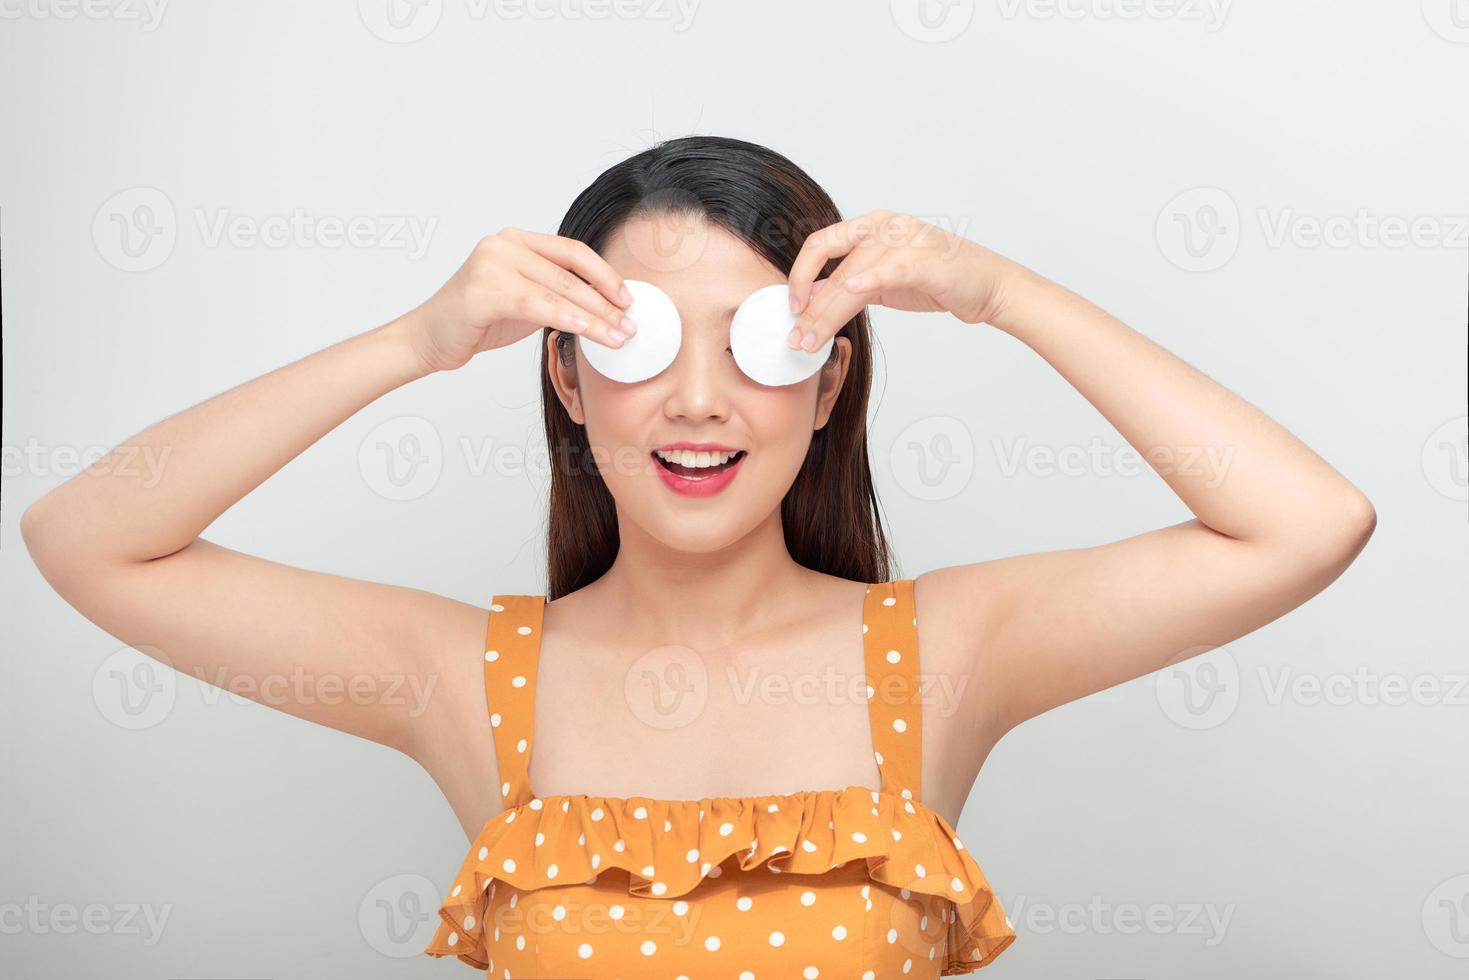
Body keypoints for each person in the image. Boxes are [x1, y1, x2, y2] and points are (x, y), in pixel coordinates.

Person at [21, 135, 1376, 976]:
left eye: (757, 344)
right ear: (566, 379)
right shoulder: (458, 675)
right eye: (643, 345)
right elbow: (86, 539)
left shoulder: (949, 652)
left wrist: (1000, 297)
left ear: (828, 384)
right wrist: (412, 341)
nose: (698, 402)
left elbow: (1305, 522)